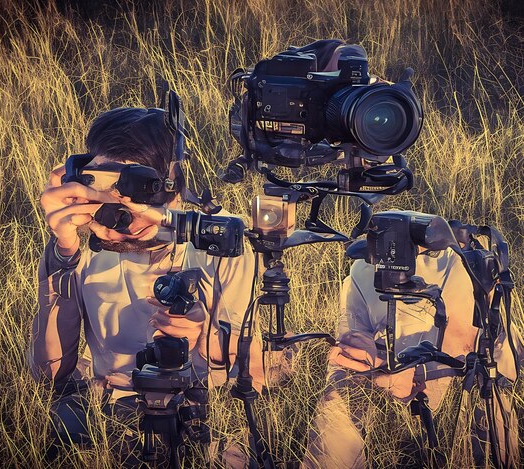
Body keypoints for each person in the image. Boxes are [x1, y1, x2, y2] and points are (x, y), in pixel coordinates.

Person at [28, 106, 263, 465]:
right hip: (115, 405)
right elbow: (50, 374)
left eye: (144, 191)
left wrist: (201, 338)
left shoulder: (220, 237)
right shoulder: (79, 243)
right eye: (112, 191)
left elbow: (249, 374)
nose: (127, 217)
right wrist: (64, 248)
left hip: (204, 407)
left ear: (175, 187)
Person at [301, 214, 522, 468]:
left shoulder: (465, 266)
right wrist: (378, 369)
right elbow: (349, 345)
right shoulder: (361, 271)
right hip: (386, 358)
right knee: (339, 390)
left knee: (491, 391)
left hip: (460, 362)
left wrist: (409, 372)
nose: (393, 257)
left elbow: (471, 347)